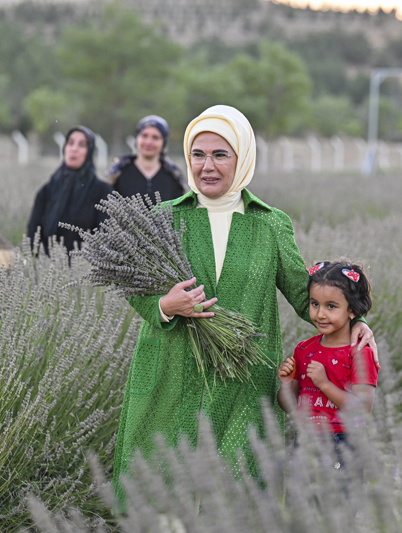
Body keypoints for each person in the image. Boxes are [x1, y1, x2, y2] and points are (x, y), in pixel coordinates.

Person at [111, 105, 378, 493]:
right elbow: (135, 286)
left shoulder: (270, 223)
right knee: (161, 486)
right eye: (198, 154)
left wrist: (357, 326)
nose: (207, 166)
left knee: (237, 489)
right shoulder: (164, 216)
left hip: (242, 377)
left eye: (221, 155)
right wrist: (164, 306)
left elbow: (308, 296)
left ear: (243, 157)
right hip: (170, 367)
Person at [277, 260, 378, 469]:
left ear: (352, 310)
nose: (320, 314)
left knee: (339, 502)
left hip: (344, 444)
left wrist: (324, 384)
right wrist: (287, 384)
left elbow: (362, 408)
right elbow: (287, 406)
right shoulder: (304, 350)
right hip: (304, 441)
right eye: (315, 304)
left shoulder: (360, 353)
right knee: (301, 501)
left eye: (331, 306)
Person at [27, 126, 112, 255]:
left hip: (87, 268)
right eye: (70, 143)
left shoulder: (102, 191)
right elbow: (33, 234)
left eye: (82, 145)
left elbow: (107, 238)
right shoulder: (48, 190)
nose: (74, 149)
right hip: (47, 268)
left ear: (89, 151)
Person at [105, 115, 185, 203]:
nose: (148, 142)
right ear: (137, 138)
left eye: (155, 137)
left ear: (164, 142)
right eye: (144, 135)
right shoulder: (118, 172)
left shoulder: (174, 177)